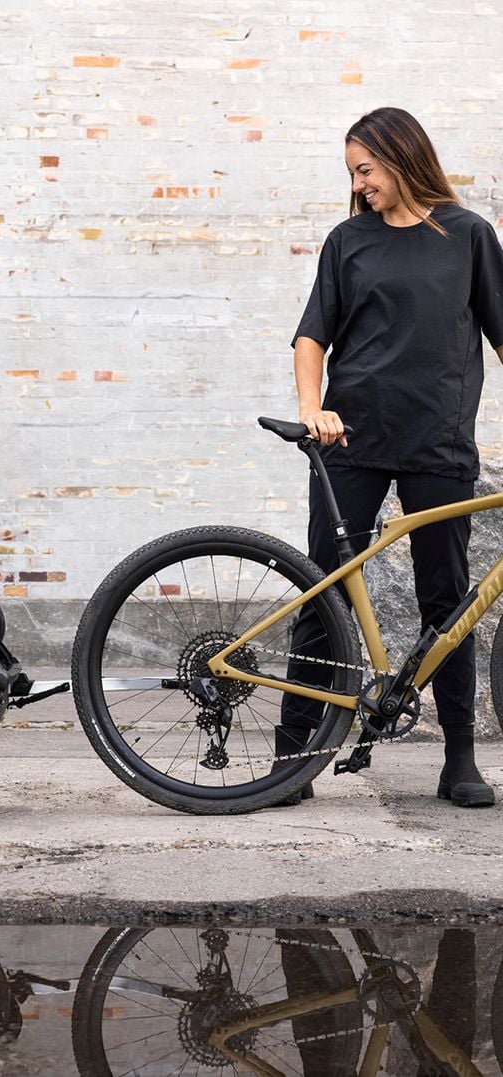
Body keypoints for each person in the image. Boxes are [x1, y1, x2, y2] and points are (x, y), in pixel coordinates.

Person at [280, 106, 503, 808]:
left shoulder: (468, 236)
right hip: (350, 441)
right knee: (325, 584)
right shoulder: (348, 241)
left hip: (438, 443)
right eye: (353, 172)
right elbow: (312, 336)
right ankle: (293, 754)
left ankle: (459, 760)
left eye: (365, 168)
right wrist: (314, 407)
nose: (359, 183)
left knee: (450, 600)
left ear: (400, 156)